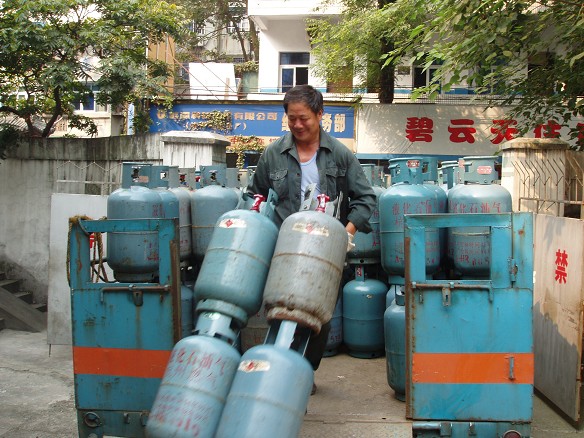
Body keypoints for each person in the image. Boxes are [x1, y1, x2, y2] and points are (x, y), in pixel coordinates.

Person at [247, 84, 377, 394]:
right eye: (291, 118)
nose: (297, 125)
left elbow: (366, 199)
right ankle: (280, 371)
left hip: (324, 252)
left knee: (318, 316)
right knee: (280, 310)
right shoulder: (273, 154)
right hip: (283, 249)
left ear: (320, 114)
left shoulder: (339, 154)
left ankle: (305, 370)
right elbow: (255, 194)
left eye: (303, 118)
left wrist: (345, 234)